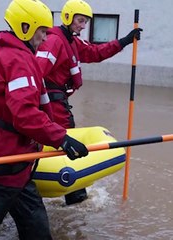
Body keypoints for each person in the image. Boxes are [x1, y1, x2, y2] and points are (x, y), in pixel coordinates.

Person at [0, 0, 89, 239]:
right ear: (25, 27)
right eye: (42, 31)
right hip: (9, 154)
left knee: (34, 223)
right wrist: (62, 138)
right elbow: (25, 114)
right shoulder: (19, 61)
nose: (46, 38)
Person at [36, 0, 142, 205]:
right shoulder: (54, 41)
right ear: (68, 18)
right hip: (53, 103)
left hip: (59, 101)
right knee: (67, 143)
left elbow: (96, 52)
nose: (83, 26)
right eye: (81, 21)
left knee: (67, 143)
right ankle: (76, 198)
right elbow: (37, 73)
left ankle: (74, 195)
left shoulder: (72, 41)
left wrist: (124, 41)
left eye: (85, 22)